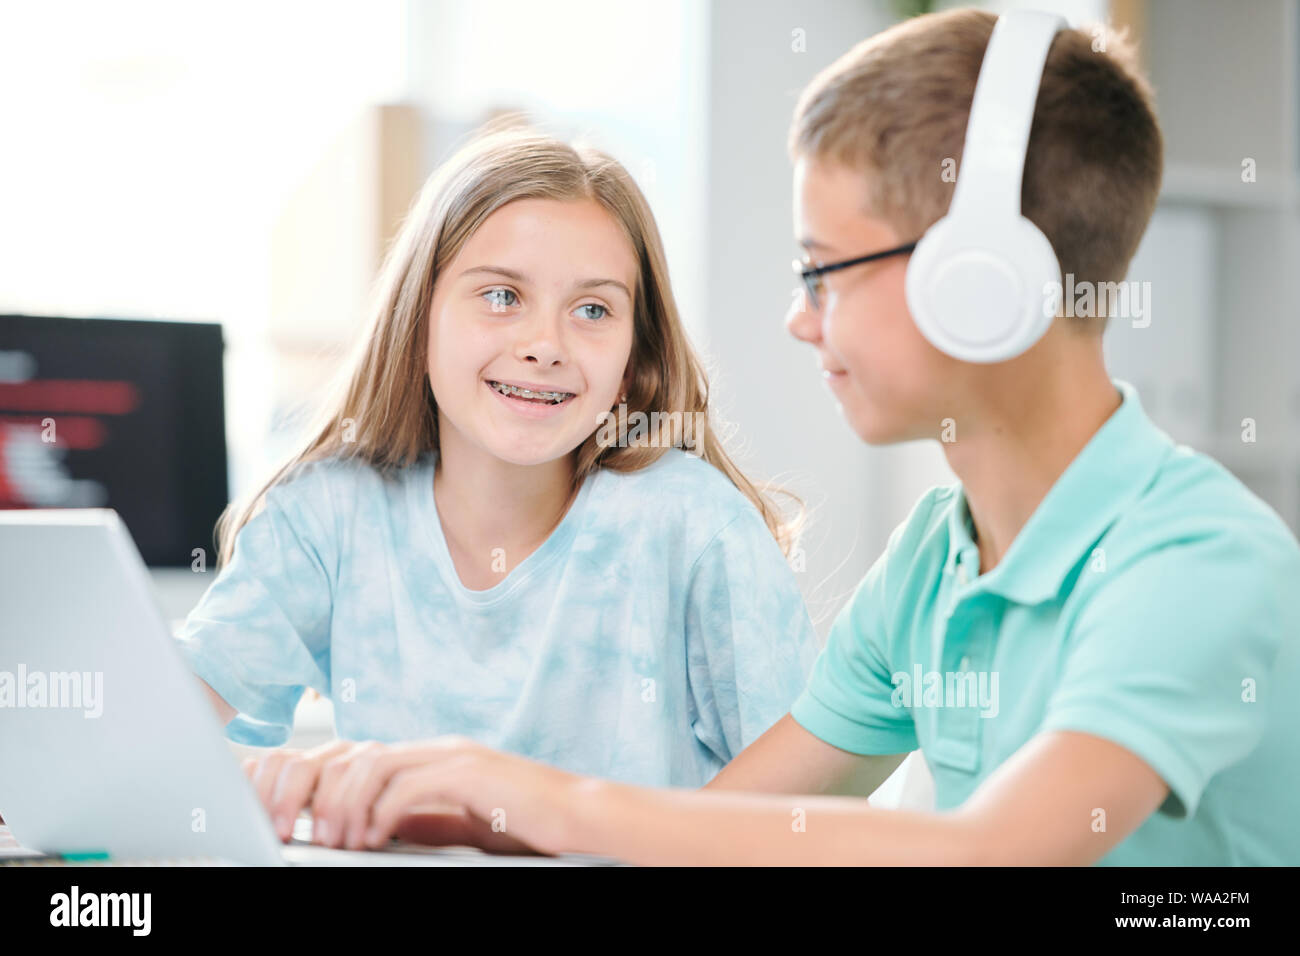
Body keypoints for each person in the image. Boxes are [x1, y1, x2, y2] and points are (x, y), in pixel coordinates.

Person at [179, 125, 819, 843]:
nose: (544, 344)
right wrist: (270, 779)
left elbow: (801, 818)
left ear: (635, 355)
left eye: (593, 310)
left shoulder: (693, 525)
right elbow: (162, 734)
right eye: (502, 295)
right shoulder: (329, 513)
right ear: (418, 315)